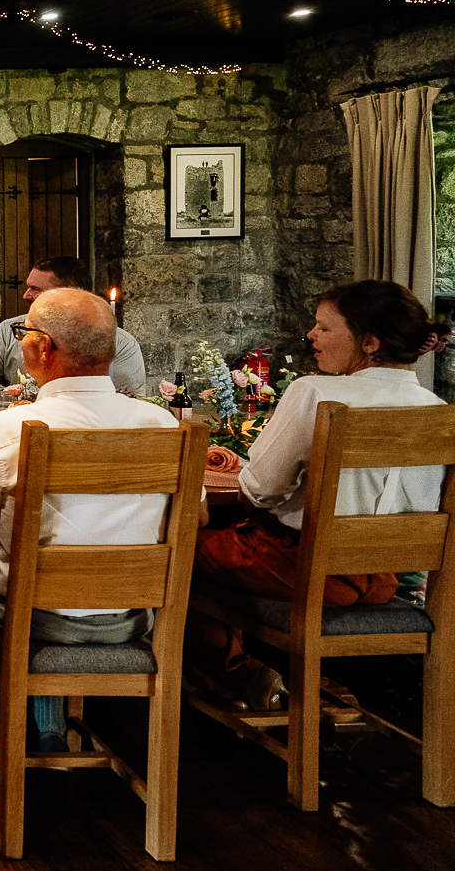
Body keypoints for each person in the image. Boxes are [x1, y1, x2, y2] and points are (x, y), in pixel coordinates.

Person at [186, 280, 448, 709]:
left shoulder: (315, 391)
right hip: (383, 580)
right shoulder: (437, 411)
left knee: (168, 555)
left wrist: (245, 475)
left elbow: (259, 490)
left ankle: (236, 674)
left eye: (324, 328)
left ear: (369, 342)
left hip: (298, 567)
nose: (311, 335)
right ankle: (246, 677)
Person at [0, 288, 181, 754]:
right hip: (132, 621)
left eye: (24, 332)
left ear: (43, 348)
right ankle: (50, 724)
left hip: (30, 620)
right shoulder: (162, 426)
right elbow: (196, 516)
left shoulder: (5, 430)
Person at [0, 255, 146, 415]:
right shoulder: (8, 330)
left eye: (36, 289)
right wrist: (16, 403)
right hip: (20, 424)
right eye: (28, 287)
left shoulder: (121, 344)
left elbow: (129, 400)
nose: (26, 295)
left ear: (71, 295)